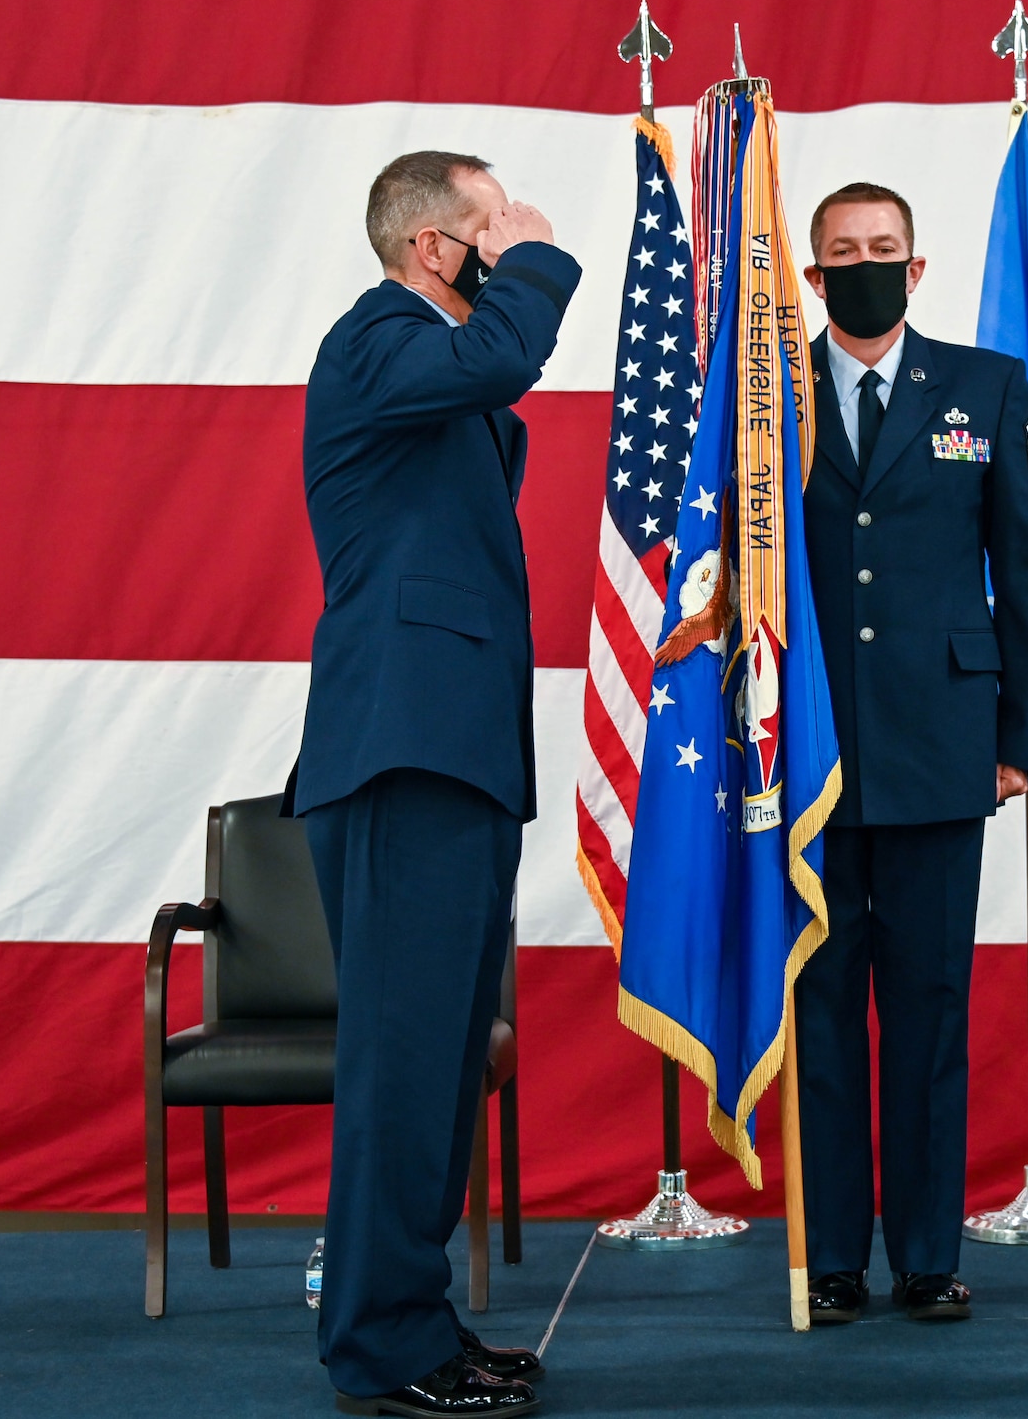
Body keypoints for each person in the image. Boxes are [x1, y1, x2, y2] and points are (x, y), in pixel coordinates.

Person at [290, 150, 580, 1418]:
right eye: (489, 226)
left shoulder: (428, 374)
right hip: (400, 752)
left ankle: (417, 1322)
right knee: (405, 1065)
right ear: (432, 250)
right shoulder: (378, 334)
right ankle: (381, 1346)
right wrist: (538, 262)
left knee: (439, 1063)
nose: (510, 237)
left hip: (450, 755)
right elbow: (498, 360)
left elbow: (484, 399)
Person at [795, 183, 1028, 1326]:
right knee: (819, 1015)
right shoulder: (765, 395)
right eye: (841, 252)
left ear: (915, 268)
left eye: (883, 250)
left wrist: (1019, 741)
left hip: (943, 740)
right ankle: (834, 1253)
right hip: (803, 755)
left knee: (928, 1008)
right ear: (810, 275)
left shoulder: (987, 387)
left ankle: (926, 1253)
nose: (863, 265)